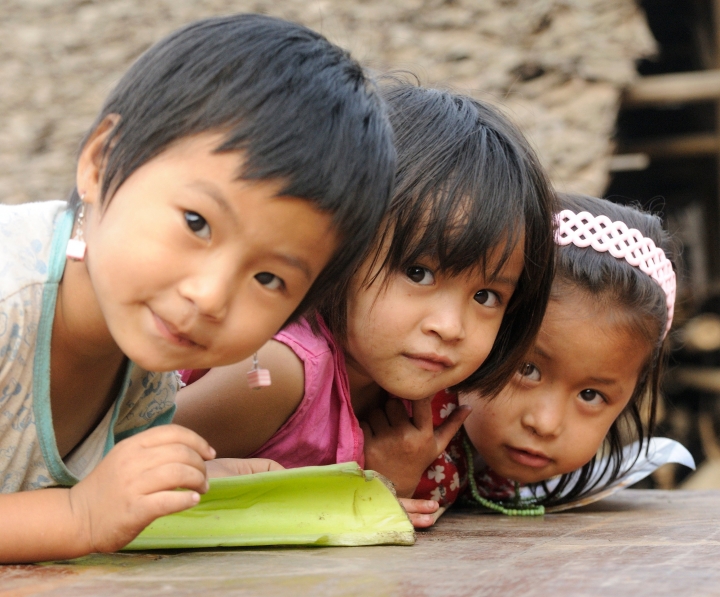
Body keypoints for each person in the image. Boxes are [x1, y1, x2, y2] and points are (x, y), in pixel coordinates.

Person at [0, 14, 396, 562]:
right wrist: (80, 516)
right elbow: (77, 511)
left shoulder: (148, 367)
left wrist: (189, 477)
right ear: (100, 162)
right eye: (196, 223)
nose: (210, 297)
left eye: (268, 279)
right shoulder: (8, 298)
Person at [174, 80, 556, 526]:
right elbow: (112, 466)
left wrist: (384, 483)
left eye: (486, 296)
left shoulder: (421, 393)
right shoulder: (283, 375)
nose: (451, 326)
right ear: (341, 245)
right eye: (418, 272)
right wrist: (351, 504)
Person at [413, 193, 677, 516]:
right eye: (526, 370)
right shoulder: (399, 415)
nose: (545, 424)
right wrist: (387, 483)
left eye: (591, 395)